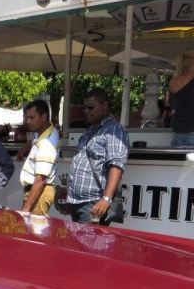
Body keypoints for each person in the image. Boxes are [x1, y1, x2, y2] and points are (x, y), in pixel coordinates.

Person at [66, 88, 129, 225]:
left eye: (91, 107)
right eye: (85, 108)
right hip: (77, 202)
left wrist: (106, 199)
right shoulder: (90, 130)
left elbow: (116, 166)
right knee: (79, 246)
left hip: (94, 203)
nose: (87, 111)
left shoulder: (114, 130)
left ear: (105, 105)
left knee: (90, 245)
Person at [19, 99, 59, 215]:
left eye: (32, 117)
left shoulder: (47, 142)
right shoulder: (44, 133)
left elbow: (40, 180)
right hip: (37, 191)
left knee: (35, 231)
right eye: (27, 117)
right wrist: (25, 149)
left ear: (44, 117)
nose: (28, 121)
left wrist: (26, 208)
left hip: (40, 192)